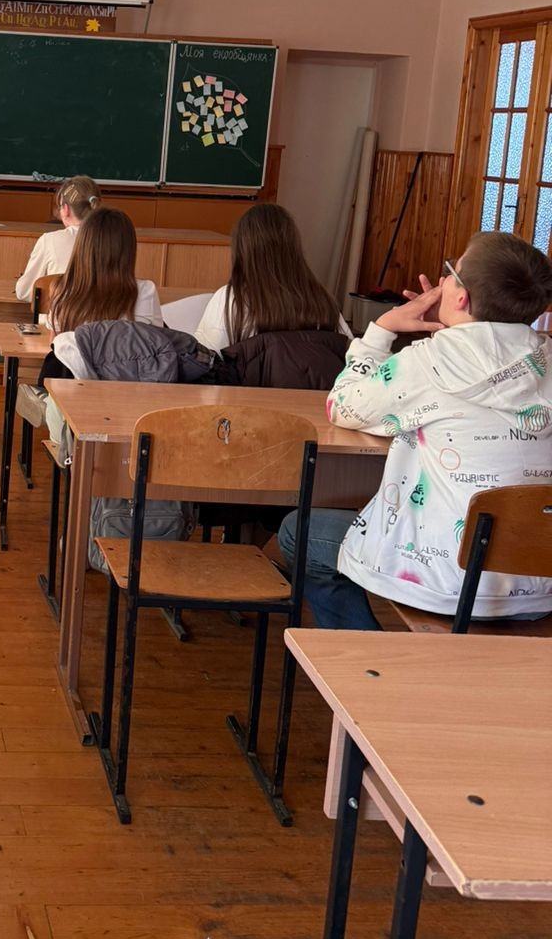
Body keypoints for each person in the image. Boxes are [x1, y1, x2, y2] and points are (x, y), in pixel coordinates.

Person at [278, 231, 552, 629]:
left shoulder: (425, 364)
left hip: (448, 580)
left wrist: (382, 329)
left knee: (296, 532)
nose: (441, 280)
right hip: (540, 582)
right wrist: (457, 333)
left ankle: (369, 658)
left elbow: (342, 405)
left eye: (450, 272)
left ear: (461, 297)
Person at [193, 201, 351, 355]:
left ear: (242, 250)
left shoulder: (232, 299)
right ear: (294, 248)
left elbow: (203, 360)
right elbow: (351, 355)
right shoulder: (323, 300)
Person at [47, 206, 163, 379]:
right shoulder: (146, 291)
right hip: (131, 388)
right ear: (128, 250)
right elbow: (157, 346)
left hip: (74, 390)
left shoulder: (62, 289)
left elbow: (56, 350)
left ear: (82, 246)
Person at [14, 176, 101, 301]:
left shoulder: (49, 241)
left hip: (61, 313)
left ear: (66, 209)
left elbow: (24, 292)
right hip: (106, 314)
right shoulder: (115, 240)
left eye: (59, 207)